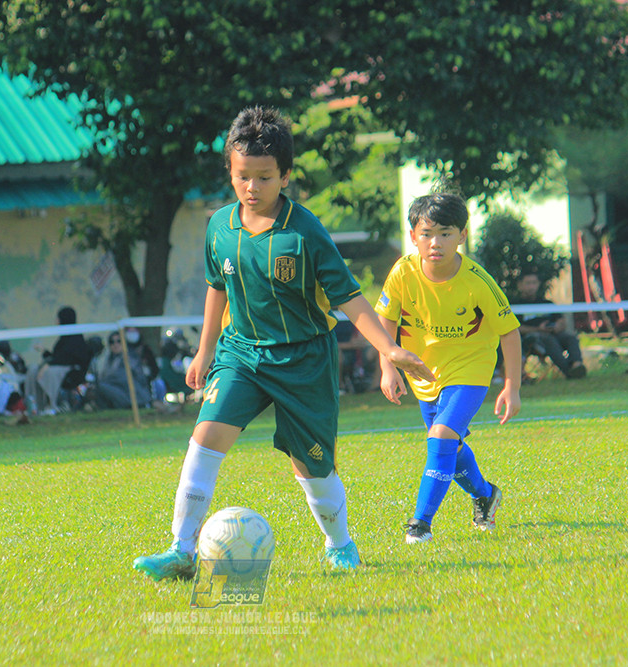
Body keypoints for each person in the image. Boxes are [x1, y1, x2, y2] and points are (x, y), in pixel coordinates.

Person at [133, 106, 432, 581]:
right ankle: (182, 551)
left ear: (285, 176)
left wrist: (387, 348)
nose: (252, 188)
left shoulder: (305, 232)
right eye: (243, 177)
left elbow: (350, 299)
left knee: (311, 468)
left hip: (304, 360)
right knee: (204, 440)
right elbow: (217, 286)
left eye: (265, 177)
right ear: (230, 174)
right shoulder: (219, 227)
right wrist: (206, 350)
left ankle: (340, 543)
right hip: (242, 353)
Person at [374, 192, 522, 545]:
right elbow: (384, 322)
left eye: (445, 233)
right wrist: (388, 367)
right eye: (426, 234)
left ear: (462, 235)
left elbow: (510, 332)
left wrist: (511, 386)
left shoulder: (477, 281)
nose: (435, 242)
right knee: (449, 449)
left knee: (440, 437)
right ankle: (485, 495)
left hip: (471, 369)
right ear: (413, 236)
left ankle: (420, 524)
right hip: (424, 373)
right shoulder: (403, 272)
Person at [515, 272, 587, 379]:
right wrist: (538, 329)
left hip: (553, 334)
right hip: (531, 338)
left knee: (570, 337)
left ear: (539, 284)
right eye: (528, 283)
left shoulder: (546, 303)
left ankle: (576, 364)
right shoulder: (516, 305)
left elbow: (561, 320)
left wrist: (558, 326)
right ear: (520, 285)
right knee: (548, 339)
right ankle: (569, 372)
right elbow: (515, 328)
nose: (531, 287)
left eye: (534, 283)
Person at [28, 307, 93, 414]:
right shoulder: (63, 337)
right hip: (57, 365)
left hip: (71, 370)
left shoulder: (75, 338)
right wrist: (44, 351)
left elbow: (67, 358)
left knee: (50, 373)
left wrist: (48, 365)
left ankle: (52, 405)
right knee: (33, 371)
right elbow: (57, 356)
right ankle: (35, 405)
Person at [87, 331, 152, 410]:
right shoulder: (107, 360)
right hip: (118, 393)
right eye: (112, 342)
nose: (115, 344)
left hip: (133, 396)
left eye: (119, 341)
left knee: (101, 386)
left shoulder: (130, 358)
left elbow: (123, 378)